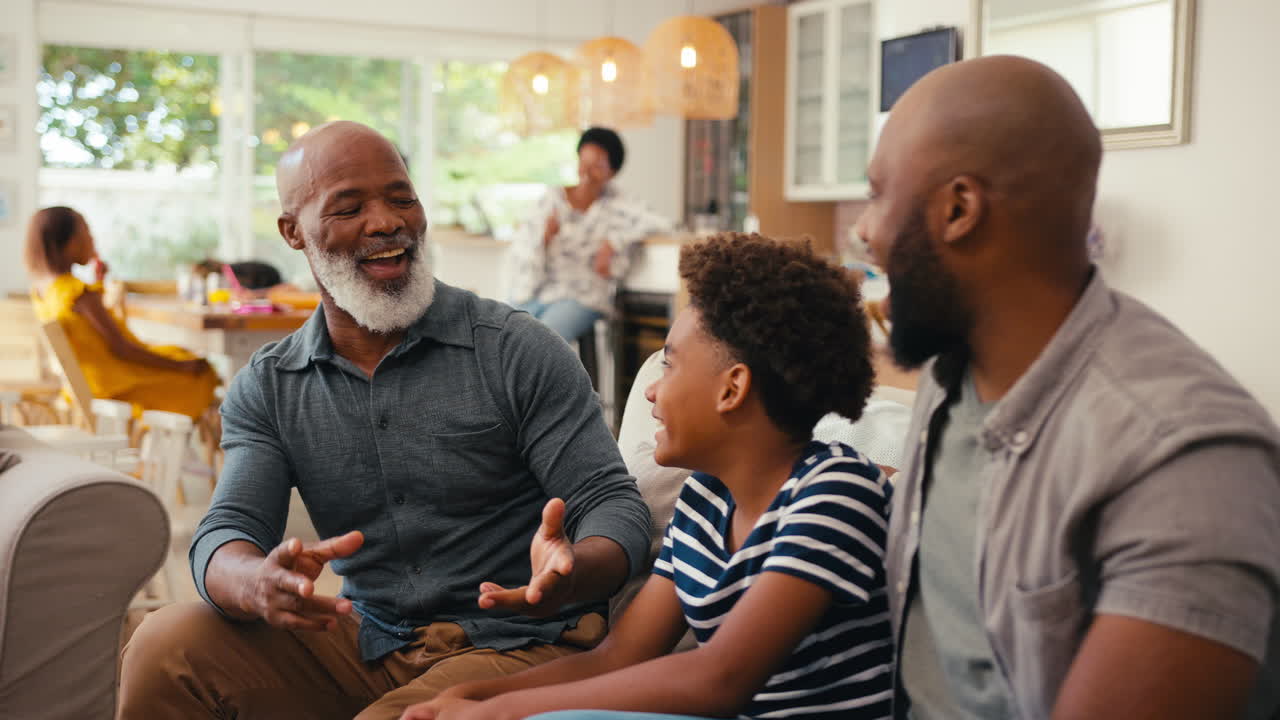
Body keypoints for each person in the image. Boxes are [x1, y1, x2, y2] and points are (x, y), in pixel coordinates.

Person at [117, 121, 651, 720]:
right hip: (368, 639)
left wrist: (574, 570)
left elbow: (611, 501)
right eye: (349, 207)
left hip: (520, 644)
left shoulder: (517, 349)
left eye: (402, 198)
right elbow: (227, 529)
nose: (386, 222)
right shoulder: (269, 386)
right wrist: (253, 581)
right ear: (294, 233)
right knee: (163, 645)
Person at [853, 55, 1280, 719]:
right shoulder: (951, 368)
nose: (862, 229)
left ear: (959, 209)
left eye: (878, 194)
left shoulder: (1187, 462)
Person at [402, 233, 895, 720]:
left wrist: (501, 714)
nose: (652, 392)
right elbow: (618, 658)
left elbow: (720, 680)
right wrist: (472, 697)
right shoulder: (705, 497)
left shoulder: (835, 495)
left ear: (733, 389)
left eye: (671, 365)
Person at [24, 206, 220, 419]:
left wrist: (98, 283)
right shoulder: (77, 292)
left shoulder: (42, 290)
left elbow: (87, 333)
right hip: (115, 386)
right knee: (203, 371)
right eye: (87, 232)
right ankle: (178, 445)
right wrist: (181, 367)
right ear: (69, 242)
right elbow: (122, 349)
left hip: (86, 383)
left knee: (179, 354)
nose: (92, 239)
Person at [509, 126, 671, 343]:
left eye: (596, 167)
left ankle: (543, 378)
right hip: (536, 290)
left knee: (544, 340)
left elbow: (664, 224)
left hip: (583, 296)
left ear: (612, 172)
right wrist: (544, 237)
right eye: (583, 163)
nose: (586, 172)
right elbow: (524, 247)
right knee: (501, 331)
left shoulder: (619, 204)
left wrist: (615, 242)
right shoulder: (553, 198)